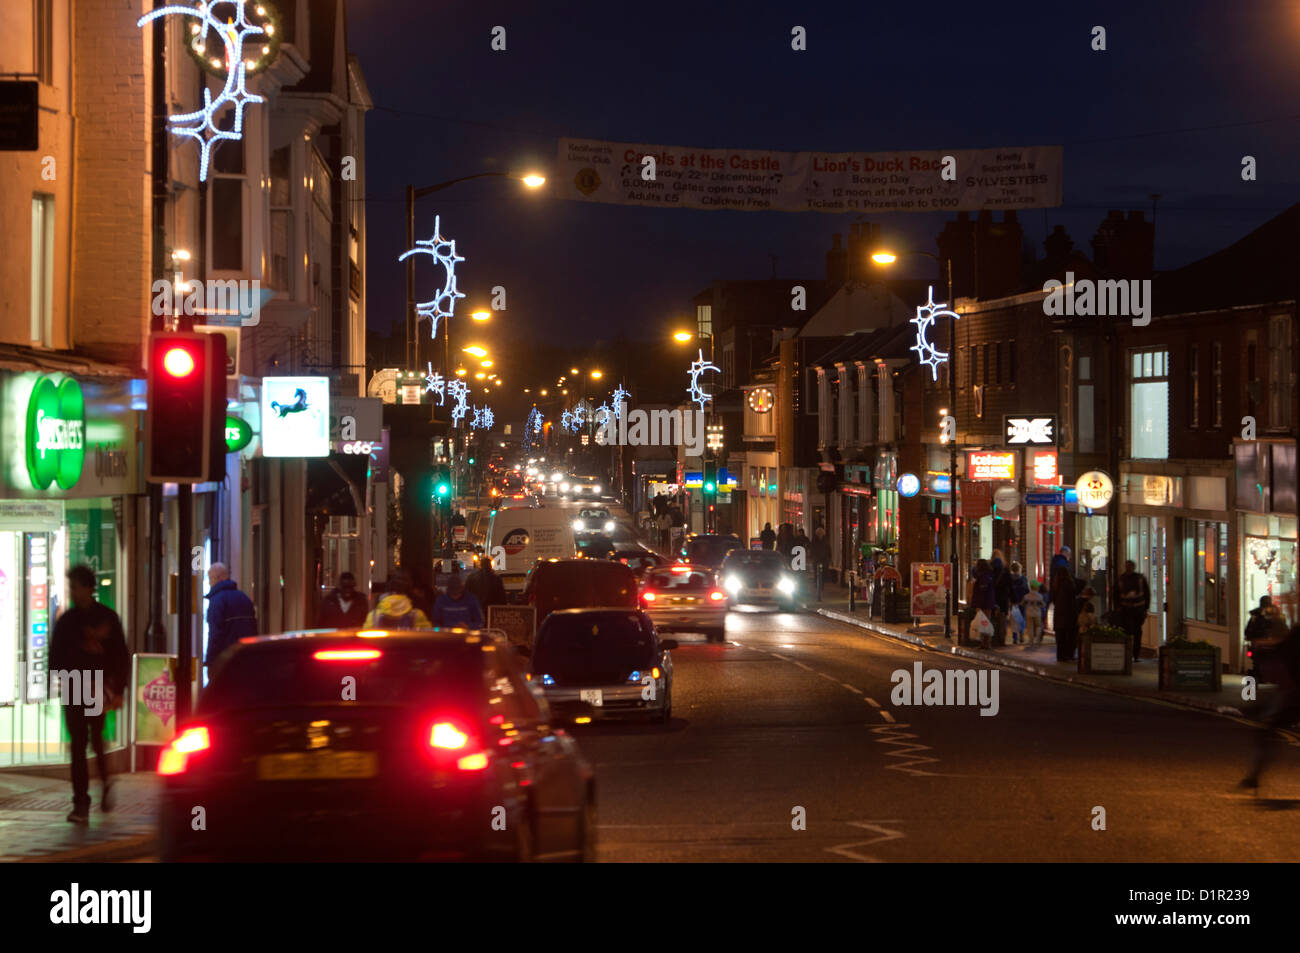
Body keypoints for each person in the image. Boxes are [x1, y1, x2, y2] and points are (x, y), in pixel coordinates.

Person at [50, 565, 129, 824]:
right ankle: (84, 800)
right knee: (85, 742)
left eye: (75, 586)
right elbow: (55, 658)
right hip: (81, 686)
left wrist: (118, 690)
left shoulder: (84, 620)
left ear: (87, 587)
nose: (72, 592)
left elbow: (120, 655)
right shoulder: (76, 619)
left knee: (88, 741)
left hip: (89, 686)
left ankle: (89, 797)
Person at [1241, 620, 1300, 789]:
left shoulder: (1294, 632)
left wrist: (1262, 643)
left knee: (1267, 732)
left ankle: (1254, 776)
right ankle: (1253, 776)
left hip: (1295, 695)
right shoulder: (1285, 624)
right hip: (1293, 693)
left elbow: (1281, 646)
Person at [204, 563, 258, 669]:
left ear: (218, 578)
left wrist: (210, 660)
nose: (210, 583)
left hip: (225, 661)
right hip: (246, 657)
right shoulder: (244, 598)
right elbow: (253, 629)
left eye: (210, 578)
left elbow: (215, 634)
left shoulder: (217, 601)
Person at [363, 574, 432, 628]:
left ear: (385, 594)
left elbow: (365, 640)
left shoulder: (373, 616)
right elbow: (428, 639)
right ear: (408, 594)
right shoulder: (417, 615)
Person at [1116, 559, 1152, 661]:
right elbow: (1115, 594)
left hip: (1136, 611)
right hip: (1127, 611)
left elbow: (1147, 594)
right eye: (1127, 566)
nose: (1128, 568)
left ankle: (1135, 655)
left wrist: (1145, 609)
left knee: (1135, 633)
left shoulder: (1138, 579)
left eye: (1129, 566)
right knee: (1129, 633)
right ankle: (1129, 655)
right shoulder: (1122, 579)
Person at [1049, 556, 1080, 662]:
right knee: (1069, 636)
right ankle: (1068, 655)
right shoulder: (1069, 584)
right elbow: (1079, 587)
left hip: (1058, 614)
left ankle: (1060, 656)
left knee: (1060, 637)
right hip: (1068, 614)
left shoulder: (1055, 585)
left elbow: (1052, 598)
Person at [969, 558, 996, 649]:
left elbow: (982, 592)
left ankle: (986, 643)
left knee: (984, 622)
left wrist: (978, 605)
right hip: (987, 603)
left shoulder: (983, 577)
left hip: (984, 604)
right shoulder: (987, 575)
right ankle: (984, 643)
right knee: (984, 622)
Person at [991, 553, 1011, 647]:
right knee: (1003, 619)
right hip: (1003, 599)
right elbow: (1010, 586)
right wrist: (1014, 599)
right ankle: (1001, 639)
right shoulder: (1005, 571)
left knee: (992, 618)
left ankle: (992, 638)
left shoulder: (989, 570)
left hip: (992, 598)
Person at [1007, 561, 1030, 644]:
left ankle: (1015, 637)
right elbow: (1027, 591)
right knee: (1021, 619)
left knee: (1014, 620)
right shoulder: (1024, 579)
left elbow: (1008, 591)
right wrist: (1024, 601)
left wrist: (1010, 601)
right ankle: (1021, 635)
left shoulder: (1009, 579)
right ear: (1020, 569)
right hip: (1021, 602)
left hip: (1013, 602)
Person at [810, 527, 832, 601]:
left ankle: (821, 586)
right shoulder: (814, 540)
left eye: (821, 533)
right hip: (817, 559)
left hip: (824, 559)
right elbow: (812, 549)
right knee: (817, 573)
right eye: (819, 533)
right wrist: (814, 557)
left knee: (823, 573)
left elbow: (828, 549)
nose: (820, 535)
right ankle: (818, 586)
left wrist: (829, 558)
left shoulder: (825, 540)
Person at [1022, 582, 1046, 647]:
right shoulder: (1040, 596)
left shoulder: (1026, 596)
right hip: (1037, 613)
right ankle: (1037, 641)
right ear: (1036, 588)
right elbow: (1043, 605)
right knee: (1038, 626)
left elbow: (1022, 604)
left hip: (1028, 613)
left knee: (1030, 627)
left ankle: (1031, 641)